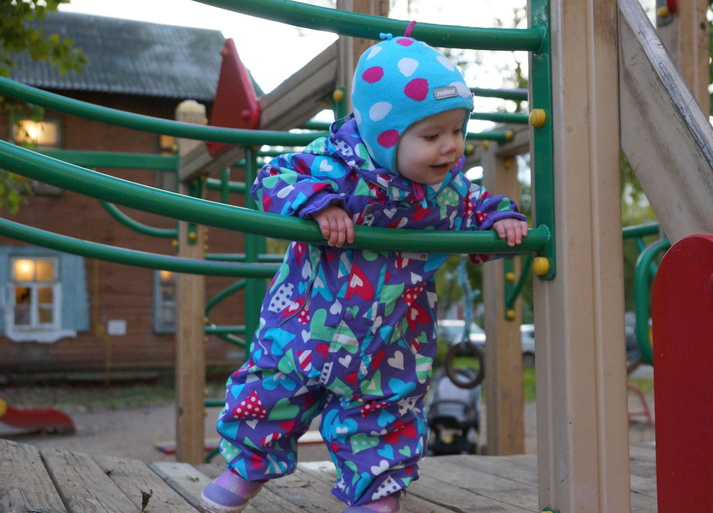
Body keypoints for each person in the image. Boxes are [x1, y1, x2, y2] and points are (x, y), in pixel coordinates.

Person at [200, 27, 528, 513]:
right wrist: (319, 204)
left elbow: (476, 205)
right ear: (383, 136)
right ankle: (244, 469)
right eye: (432, 135)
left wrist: (500, 220)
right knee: (270, 394)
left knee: (383, 414)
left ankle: (377, 494)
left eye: (458, 131)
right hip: (304, 325)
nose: (452, 147)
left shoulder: (448, 191)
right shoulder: (335, 167)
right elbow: (274, 177)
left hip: (391, 340)